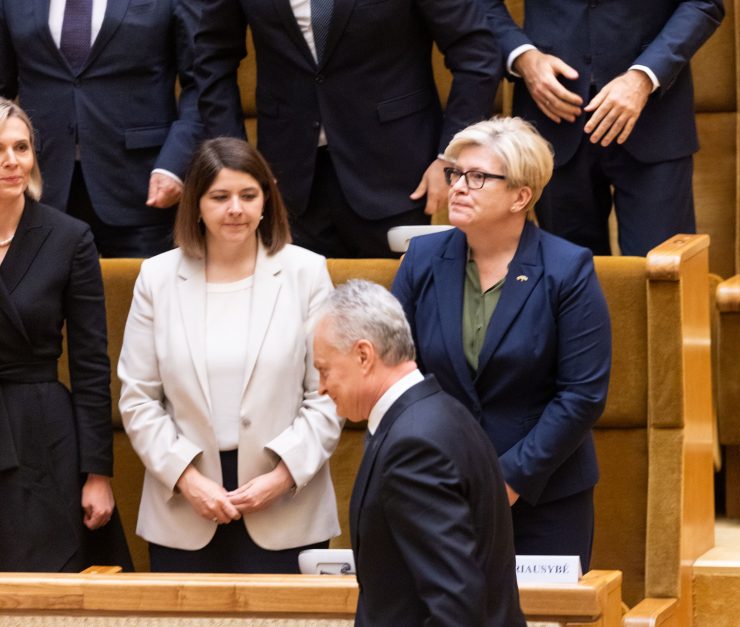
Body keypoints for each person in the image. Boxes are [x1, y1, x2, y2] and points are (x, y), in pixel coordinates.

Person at [392, 117, 611, 572]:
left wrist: (509, 479)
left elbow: (582, 394)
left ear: (521, 196)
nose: (458, 187)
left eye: (477, 177)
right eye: (455, 174)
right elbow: (397, 371)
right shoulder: (422, 259)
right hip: (438, 486)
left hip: (542, 496)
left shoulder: (567, 269)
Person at [117, 138, 343, 573]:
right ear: (196, 204)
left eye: (248, 195)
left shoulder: (306, 272)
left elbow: (328, 395)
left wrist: (281, 478)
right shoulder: (157, 277)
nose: (235, 208)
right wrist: (188, 480)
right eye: (219, 197)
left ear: (266, 200)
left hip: (286, 504)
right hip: (185, 505)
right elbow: (138, 398)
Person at [193, 0, 501, 258]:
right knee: (301, 323)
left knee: (396, 318)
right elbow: (212, 57)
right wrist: (236, 162)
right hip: (287, 180)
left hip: (396, 173)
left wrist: (450, 155)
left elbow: (476, 53)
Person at [314, 280, 525, 626]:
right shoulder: (442, 414)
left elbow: (455, 606)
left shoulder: (413, 445)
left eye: (324, 369)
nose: (321, 386)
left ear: (363, 355)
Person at [480, 0, 725, 255]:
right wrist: (522, 56)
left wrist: (645, 76)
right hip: (552, 117)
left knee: (663, 276)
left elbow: (703, 3)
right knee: (568, 282)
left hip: (654, 118)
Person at [0, 98, 131, 572]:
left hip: (42, 435)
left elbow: (92, 365)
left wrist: (97, 473)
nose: (11, 161)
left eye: (21, 147)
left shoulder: (69, 237)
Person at [0, 0, 204, 257]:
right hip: (39, 191)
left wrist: (176, 164)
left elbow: (202, 84)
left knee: (136, 294)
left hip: (142, 188)